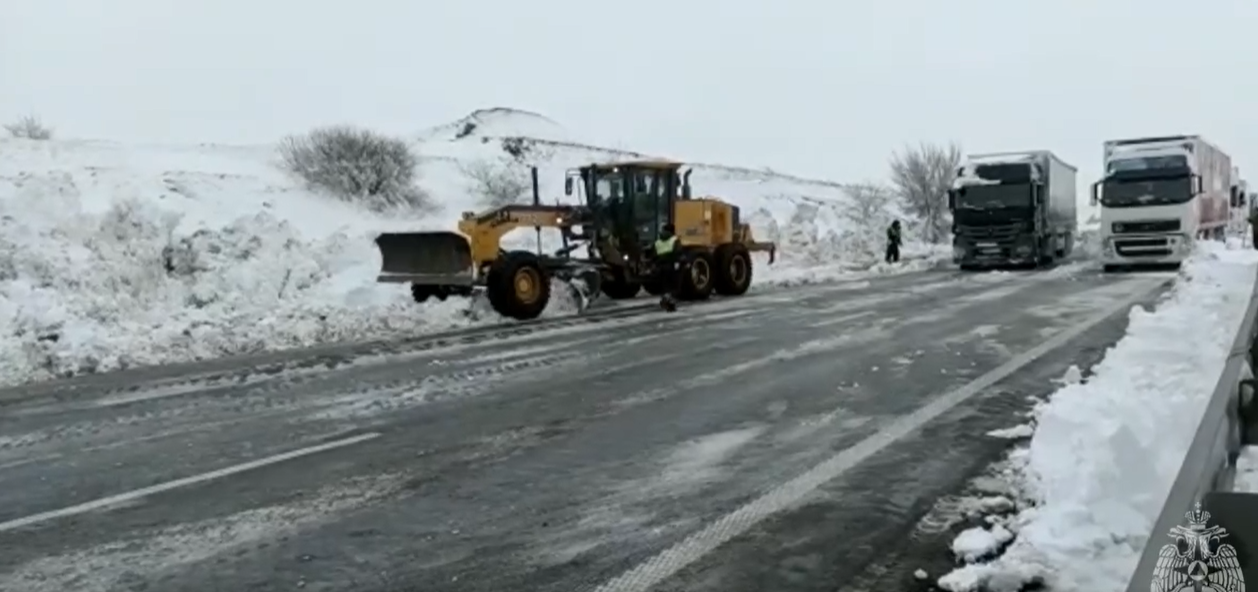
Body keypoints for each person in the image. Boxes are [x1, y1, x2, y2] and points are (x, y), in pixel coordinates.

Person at [654, 223, 681, 310]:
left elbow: (653, 255)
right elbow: (678, 253)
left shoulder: (658, 242)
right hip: (670, 266)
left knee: (664, 285)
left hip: (660, 267)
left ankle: (664, 300)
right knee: (673, 286)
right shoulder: (674, 240)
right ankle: (670, 304)